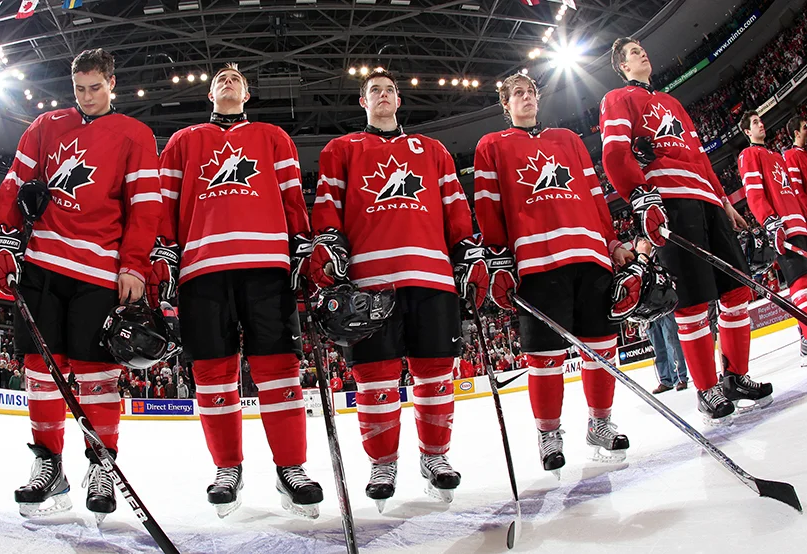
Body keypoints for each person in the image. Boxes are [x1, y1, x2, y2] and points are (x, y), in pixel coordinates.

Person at [0, 48, 161, 521]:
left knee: (96, 375)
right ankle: (48, 464)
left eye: (96, 88)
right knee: (41, 371)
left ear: (112, 83)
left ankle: (100, 464)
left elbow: (146, 205)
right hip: (42, 263)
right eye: (79, 89)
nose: (87, 98)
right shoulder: (45, 127)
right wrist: (5, 240)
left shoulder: (135, 134)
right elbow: (14, 182)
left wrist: (134, 265)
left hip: (100, 271)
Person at [148, 63, 322, 519]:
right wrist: (164, 251)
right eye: (220, 79)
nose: (228, 83)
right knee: (211, 371)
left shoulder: (272, 137)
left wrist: (301, 245)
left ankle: (291, 468)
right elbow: (165, 202)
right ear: (209, 93)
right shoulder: (184, 140)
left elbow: (291, 197)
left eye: (236, 80)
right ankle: (228, 468)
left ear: (246, 94)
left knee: (280, 369)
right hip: (201, 268)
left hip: (267, 266)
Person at [310, 68, 472, 510]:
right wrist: (328, 246)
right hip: (369, 284)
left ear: (399, 100)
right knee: (375, 378)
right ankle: (383, 462)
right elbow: (327, 208)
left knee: (436, 373)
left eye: (388, 90)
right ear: (363, 103)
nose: (382, 96)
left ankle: (435, 457)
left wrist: (468, 251)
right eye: (373, 91)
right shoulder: (341, 149)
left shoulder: (433, 150)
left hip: (432, 276)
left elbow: (456, 208)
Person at [601, 38, 769, 424]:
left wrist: (724, 200)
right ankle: (706, 389)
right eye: (632, 52)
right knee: (692, 301)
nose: (642, 52)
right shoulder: (618, 98)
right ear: (622, 66)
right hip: (670, 203)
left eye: (643, 47)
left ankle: (736, 377)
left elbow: (699, 156)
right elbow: (613, 154)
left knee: (736, 289)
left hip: (707, 202)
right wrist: (640, 196)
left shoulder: (674, 104)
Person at [473, 72, 635, 473]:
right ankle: (549, 433)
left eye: (531, 92)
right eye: (517, 94)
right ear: (505, 104)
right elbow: (488, 206)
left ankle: (599, 424)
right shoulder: (491, 145)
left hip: (590, 253)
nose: (526, 98)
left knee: (600, 347)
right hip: (536, 260)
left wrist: (611, 240)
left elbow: (596, 195)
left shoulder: (569, 139)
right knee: (544, 355)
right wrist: (497, 256)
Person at [739, 110, 807, 368]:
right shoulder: (748, 155)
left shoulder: (776, 156)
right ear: (747, 132)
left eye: (760, 120)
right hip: (784, 226)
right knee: (801, 285)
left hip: (800, 224)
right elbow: (754, 193)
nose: (761, 124)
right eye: (755, 123)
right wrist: (769, 220)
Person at [636, 238, 689, 392]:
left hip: (664, 305)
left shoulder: (660, 255)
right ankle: (665, 379)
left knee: (671, 340)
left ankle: (680, 376)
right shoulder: (638, 261)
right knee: (657, 346)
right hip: (648, 310)